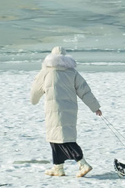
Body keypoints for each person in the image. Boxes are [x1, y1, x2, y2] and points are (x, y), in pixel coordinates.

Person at [31, 46, 102, 178]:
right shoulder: (72, 72)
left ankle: (83, 164)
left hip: (53, 109)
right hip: (70, 109)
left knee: (63, 138)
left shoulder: (46, 72)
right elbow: (84, 91)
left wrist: (34, 100)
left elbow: (36, 89)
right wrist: (95, 107)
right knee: (56, 137)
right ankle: (58, 167)